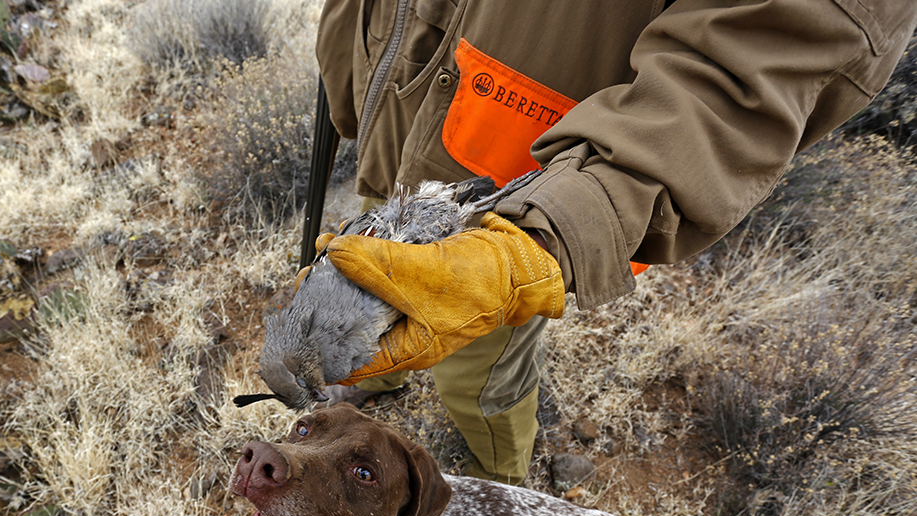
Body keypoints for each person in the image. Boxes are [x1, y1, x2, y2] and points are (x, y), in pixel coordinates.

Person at [312, 0, 917, 485]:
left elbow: (747, 68)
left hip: (511, 199)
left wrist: (538, 240)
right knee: (372, 293)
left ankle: (497, 473)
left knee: (480, 373)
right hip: (401, 121)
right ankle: (377, 376)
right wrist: (350, 54)